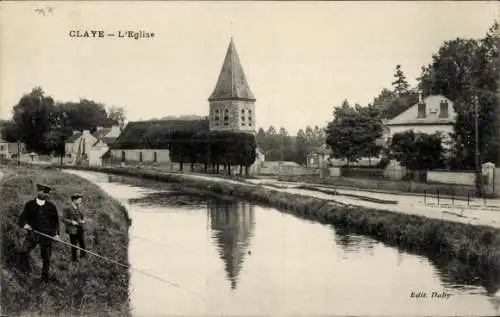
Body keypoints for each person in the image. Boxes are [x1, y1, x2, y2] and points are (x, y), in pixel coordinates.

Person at [18, 184, 60, 282]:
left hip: (47, 236)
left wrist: (57, 234)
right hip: (33, 234)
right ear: (38, 192)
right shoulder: (30, 204)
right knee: (23, 251)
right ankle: (26, 272)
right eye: (43, 191)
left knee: (46, 258)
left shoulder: (51, 206)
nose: (45, 194)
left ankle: (44, 278)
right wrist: (25, 225)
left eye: (47, 192)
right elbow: (22, 219)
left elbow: (55, 222)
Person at [62, 193, 86, 262]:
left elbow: (82, 217)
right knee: (74, 244)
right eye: (79, 200)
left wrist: (83, 220)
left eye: (81, 200)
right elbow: (63, 219)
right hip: (72, 230)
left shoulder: (79, 207)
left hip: (80, 228)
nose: (80, 201)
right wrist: (72, 222)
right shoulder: (67, 208)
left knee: (82, 242)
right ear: (74, 200)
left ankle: (83, 256)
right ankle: (74, 259)